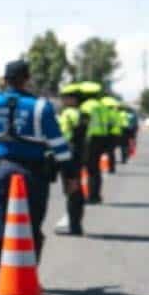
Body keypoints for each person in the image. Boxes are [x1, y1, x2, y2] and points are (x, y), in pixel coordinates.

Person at [0, 53, 77, 266]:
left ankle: (2, 276)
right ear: (27, 79)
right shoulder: (41, 107)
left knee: (2, 225)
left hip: (2, 170)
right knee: (31, 227)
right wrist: (70, 175)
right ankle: (28, 276)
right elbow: (60, 146)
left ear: (5, 80)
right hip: (34, 173)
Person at [56, 84, 90, 235]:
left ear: (73, 99)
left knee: (72, 190)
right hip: (80, 154)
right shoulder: (83, 114)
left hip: (68, 155)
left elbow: (62, 134)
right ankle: (76, 225)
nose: (62, 100)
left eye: (65, 97)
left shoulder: (68, 113)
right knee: (76, 189)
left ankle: (74, 227)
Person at [78, 85, 109, 203]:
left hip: (90, 138)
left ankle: (92, 196)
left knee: (90, 169)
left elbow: (83, 124)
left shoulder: (86, 106)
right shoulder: (102, 106)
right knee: (96, 168)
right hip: (102, 138)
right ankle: (96, 195)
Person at [101, 95, 123, 174]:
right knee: (111, 152)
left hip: (108, 134)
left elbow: (108, 124)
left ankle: (104, 166)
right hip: (116, 134)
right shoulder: (116, 113)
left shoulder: (106, 113)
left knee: (104, 151)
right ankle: (112, 168)